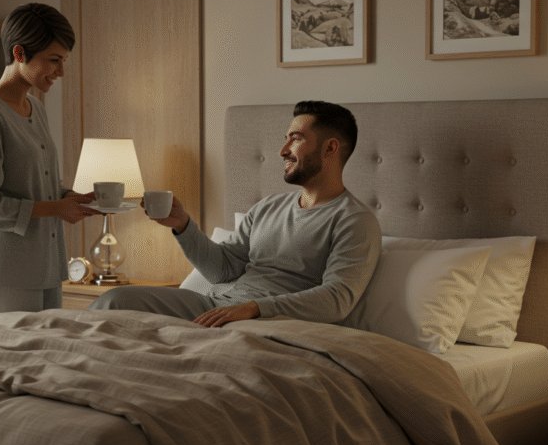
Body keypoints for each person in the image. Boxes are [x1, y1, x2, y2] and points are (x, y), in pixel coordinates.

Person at [89, 100, 380, 327]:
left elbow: (337, 299)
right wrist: (182, 225)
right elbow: (223, 271)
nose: (283, 150)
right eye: (286, 139)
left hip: (271, 323)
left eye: (296, 139)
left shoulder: (354, 221)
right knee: (114, 300)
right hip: (217, 307)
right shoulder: (269, 207)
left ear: (330, 148)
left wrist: (255, 309)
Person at [0, 3, 99, 315]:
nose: (61, 72)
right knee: (3, 361)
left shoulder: (37, 109)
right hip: (3, 272)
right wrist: (55, 208)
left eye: (63, 61)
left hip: (45, 265)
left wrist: (66, 197)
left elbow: (30, 183)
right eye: (54, 60)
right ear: (20, 53)